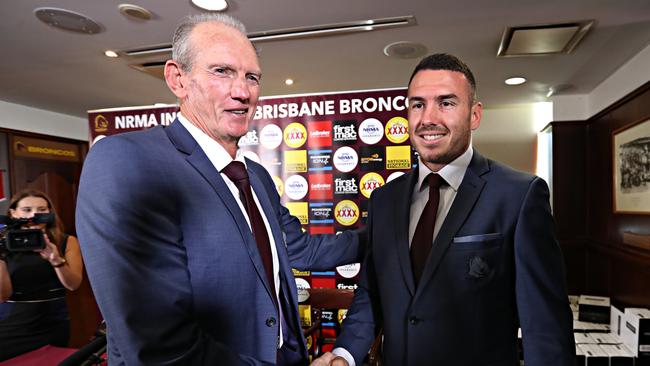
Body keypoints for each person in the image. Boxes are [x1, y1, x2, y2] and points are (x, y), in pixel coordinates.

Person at [75, 13, 363, 366]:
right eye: (221, 71)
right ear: (177, 79)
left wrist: (390, 233)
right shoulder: (127, 161)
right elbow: (161, 348)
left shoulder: (253, 176)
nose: (242, 92)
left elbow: (300, 250)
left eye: (252, 77)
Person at [312, 53, 575, 366]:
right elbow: (373, 293)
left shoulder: (520, 195)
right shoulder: (384, 199)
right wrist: (344, 355)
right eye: (418, 104)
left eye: (446, 103)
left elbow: (544, 328)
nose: (428, 118)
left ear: (475, 115)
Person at [0, 189, 83, 361]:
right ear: (13, 213)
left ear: (50, 213)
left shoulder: (67, 241)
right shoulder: (3, 243)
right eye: (27, 210)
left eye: (42, 210)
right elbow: (3, 294)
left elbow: (73, 284)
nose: (35, 214)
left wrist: (55, 259)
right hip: (11, 322)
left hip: (53, 322)